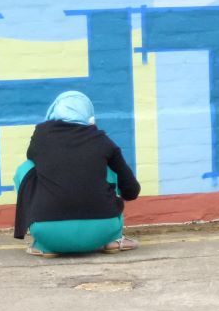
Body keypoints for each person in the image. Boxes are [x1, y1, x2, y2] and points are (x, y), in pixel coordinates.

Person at [14, 91, 142, 256]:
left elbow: (32, 157)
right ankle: (114, 240)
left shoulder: (41, 135)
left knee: (27, 168)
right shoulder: (102, 140)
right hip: (103, 229)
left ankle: (43, 246)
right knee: (107, 169)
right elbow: (132, 191)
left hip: (47, 232)